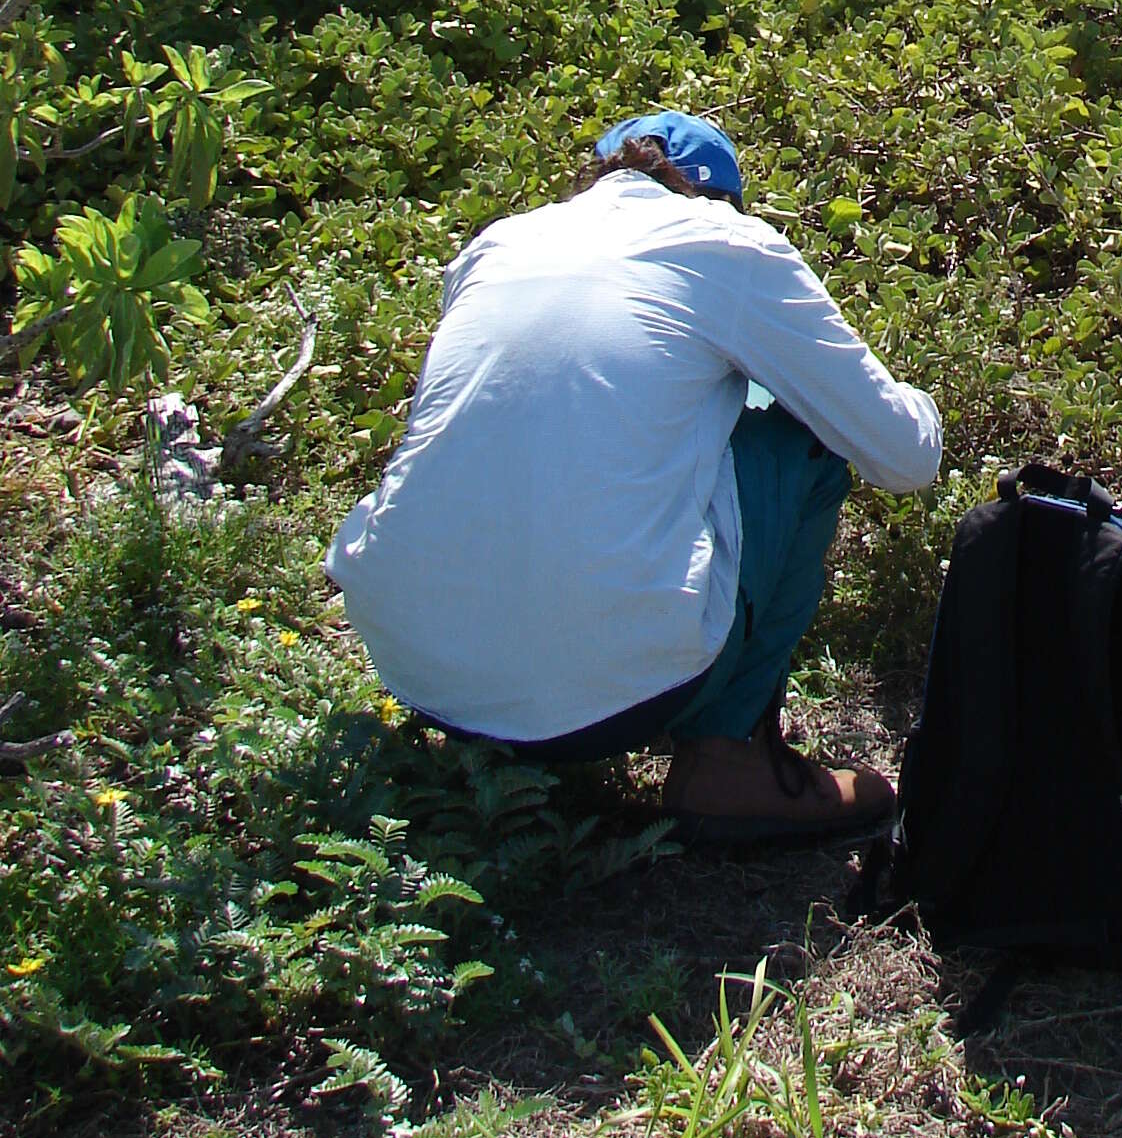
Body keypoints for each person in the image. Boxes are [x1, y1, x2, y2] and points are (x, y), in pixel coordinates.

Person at [328, 109, 943, 840]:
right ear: (720, 198)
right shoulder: (726, 244)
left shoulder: (500, 243)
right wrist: (923, 402)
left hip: (418, 673)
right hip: (604, 693)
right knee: (799, 442)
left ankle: (518, 707)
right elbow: (905, 458)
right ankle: (727, 759)